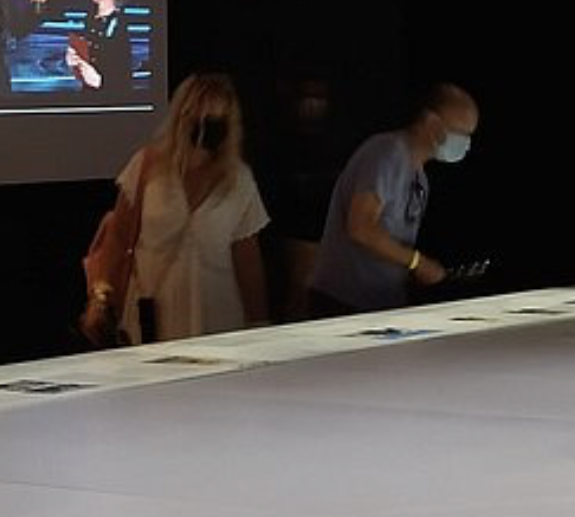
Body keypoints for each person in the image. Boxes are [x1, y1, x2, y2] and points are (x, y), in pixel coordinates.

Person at [84, 72, 271, 344]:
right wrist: (100, 299)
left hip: (218, 320)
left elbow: (247, 261)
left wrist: (260, 325)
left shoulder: (238, 180)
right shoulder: (147, 167)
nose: (207, 127)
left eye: (217, 119)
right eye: (202, 117)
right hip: (153, 314)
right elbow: (118, 238)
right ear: (184, 116)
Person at [302, 84, 475, 319]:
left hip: (382, 305)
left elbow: (391, 243)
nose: (465, 143)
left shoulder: (420, 179)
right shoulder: (386, 152)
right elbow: (361, 228)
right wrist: (417, 262)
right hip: (344, 304)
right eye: (460, 132)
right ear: (431, 121)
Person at [63, 0, 134, 92]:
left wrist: (100, 81)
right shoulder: (90, 19)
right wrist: (75, 62)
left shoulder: (119, 26)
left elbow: (125, 85)